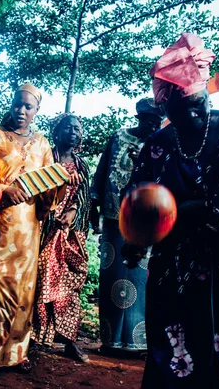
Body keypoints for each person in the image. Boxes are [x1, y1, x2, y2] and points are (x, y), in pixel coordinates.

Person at [123, 33, 219, 388]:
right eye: (181, 110)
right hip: (177, 270)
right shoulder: (159, 146)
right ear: (165, 111)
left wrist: (198, 209)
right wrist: (137, 238)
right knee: (177, 355)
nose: (195, 112)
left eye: (198, 101)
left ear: (205, 90)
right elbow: (139, 197)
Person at [0, 84, 79, 372]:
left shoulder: (42, 144)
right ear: (11, 104)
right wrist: (2, 190)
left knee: (22, 290)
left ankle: (15, 351)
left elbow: (49, 194)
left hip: (28, 229)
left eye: (28, 107)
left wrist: (62, 183)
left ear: (36, 111)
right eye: (18, 104)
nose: (21, 111)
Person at [90, 98, 164, 356]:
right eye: (148, 121)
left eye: (157, 123)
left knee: (141, 279)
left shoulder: (160, 143)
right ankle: (111, 342)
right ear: (139, 117)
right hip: (113, 219)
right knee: (112, 278)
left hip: (143, 223)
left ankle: (139, 343)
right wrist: (93, 203)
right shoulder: (118, 137)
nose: (152, 127)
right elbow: (101, 172)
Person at [32, 114, 91, 363]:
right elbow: (39, 188)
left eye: (77, 128)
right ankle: (34, 338)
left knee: (70, 286)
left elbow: (85, 198)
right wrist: (54, 213)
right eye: (67, 127)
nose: (73, 132)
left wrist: (73, 212)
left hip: (70, 234)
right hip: (46, 229)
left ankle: (69, 341)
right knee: (39, 280)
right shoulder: (46, 158)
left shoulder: (82, 164)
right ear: (56, 132)